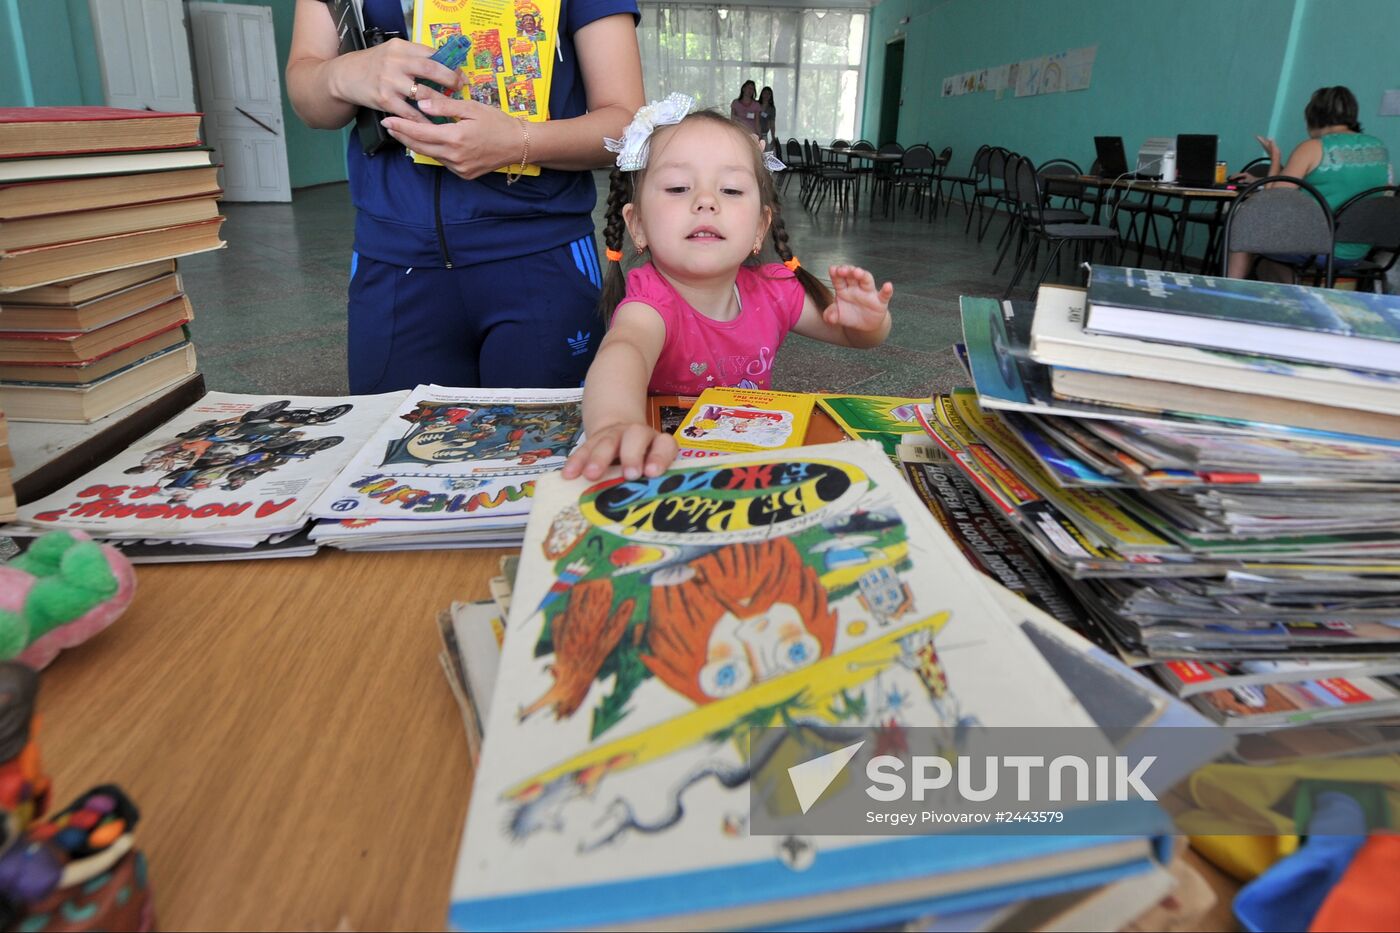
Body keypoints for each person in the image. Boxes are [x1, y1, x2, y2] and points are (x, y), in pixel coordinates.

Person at [285, 0, 644, 392]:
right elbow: (310, 102)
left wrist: (519, 141)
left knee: (542, 449)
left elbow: (627, 122)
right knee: (396, 447)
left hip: (542, 256)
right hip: (393, 262)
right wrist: (346, 73)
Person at [561, 96, 893, 482]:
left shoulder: (774, 290)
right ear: (637, 226)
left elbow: (856, 336)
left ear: (759, 228)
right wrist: (614, 425)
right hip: (663, 469)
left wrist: (867, 322)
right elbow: (623, 352)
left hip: (745, 465)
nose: (706, 201)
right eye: (678, 187)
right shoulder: (650, 302)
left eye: (731, 190)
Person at [1228, 85, 1391, 281]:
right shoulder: (1379, 147)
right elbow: (1332, 184)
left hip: (1314, 247)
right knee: (1269, 257)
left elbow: (1271, 202)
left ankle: (1229, 289)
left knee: (1246, 225)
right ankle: (1297, 294)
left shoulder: (1313, 147)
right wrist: (1262, 180)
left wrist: (1275, 157)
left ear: (1313, 117)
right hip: (1356, 251)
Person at [757, 86, 778, 152]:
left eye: (769, 94)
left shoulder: (771, 108)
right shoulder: (756, 104)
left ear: (771, 96)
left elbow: (772, 124)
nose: (766, 95)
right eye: (765, 93)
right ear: (762, 94)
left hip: (764, 134)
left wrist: (773, 137)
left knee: (764, 154)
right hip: (754, 133)